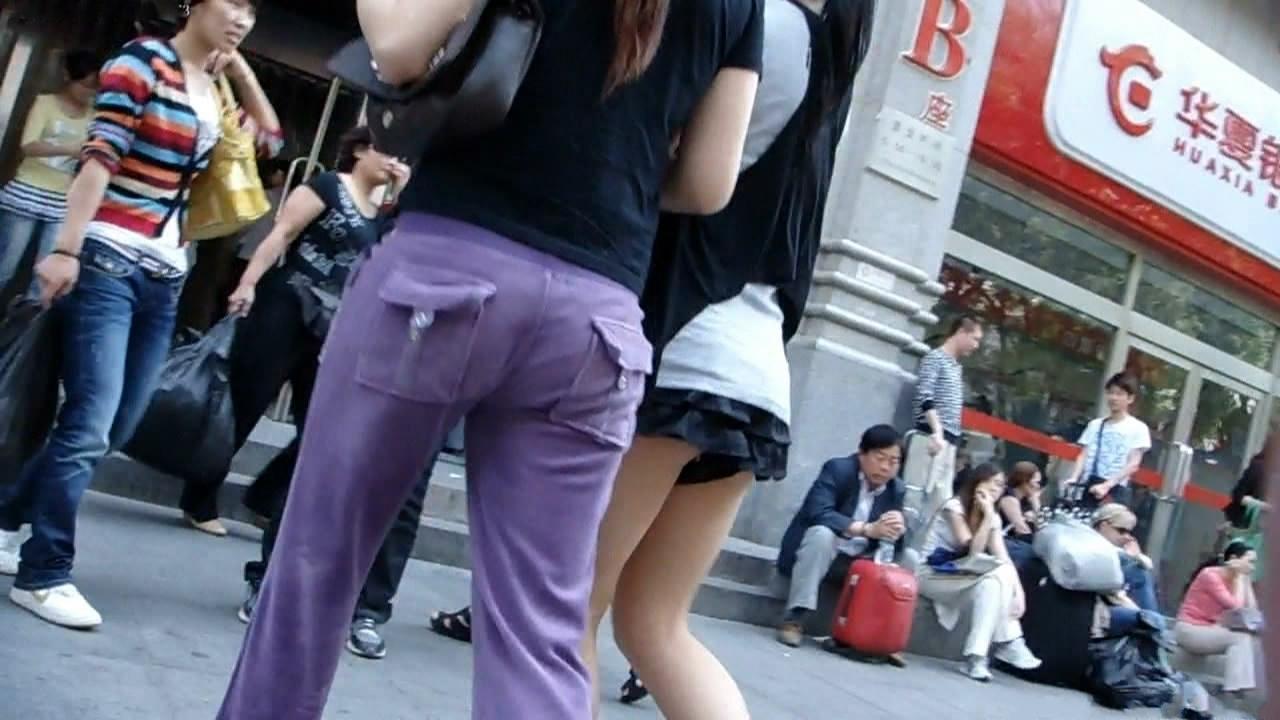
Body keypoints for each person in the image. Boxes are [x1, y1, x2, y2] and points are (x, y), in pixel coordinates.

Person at [216, 0, 764, 718]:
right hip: (597, 318)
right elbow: (707, 183)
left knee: (316, 565)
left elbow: (399, 50)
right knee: (539, 625)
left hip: (443, 273)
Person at [581, 2, 876, 717]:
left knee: (570, 611)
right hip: (752, 373)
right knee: (653, 624)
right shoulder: (827, 57)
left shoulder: (768, 27)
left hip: (686, 351)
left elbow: (692, 174)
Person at [0, 0, 280, 629]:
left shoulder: (211, 86)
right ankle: (44, 572)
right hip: (108, 257)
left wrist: (239, 68)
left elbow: (270, 140)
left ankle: (8, 517)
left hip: (167, 272)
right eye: (231, 2)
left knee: (119, 425)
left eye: (251, 9)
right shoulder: (142, 63)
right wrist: (66, 248)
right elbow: (99, 157)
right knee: (91, 420)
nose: (242, 16)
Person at [177, 128, 407, 537]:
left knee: (323, 421)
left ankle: (266, 496)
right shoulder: (328, 186)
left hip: (331, 320)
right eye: (386, 152)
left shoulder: (382, 216)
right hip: (286, 303)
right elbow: (281, 233)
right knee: (247, 401)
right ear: (360, 151)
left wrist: (401, 196)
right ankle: (199, 497)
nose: (393, 162)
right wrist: (248, 283)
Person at [774, 424, 905, 649]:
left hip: (857, 564)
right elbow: (818, 512)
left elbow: (892, 546)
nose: (885, 467)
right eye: (880, 458)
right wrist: (865, 529)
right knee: (822, 535)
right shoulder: (838, 469)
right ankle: (794, 618)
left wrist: (898, 529)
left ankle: (884, 638)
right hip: (817, 555)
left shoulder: (896, 489)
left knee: (910, 558)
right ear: (862, 453)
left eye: (893, 461)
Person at [917, 463, 1042, 682]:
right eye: (991, 483)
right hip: (931, 574)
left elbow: (1004, 558)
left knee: (994, 581)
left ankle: (976, 658)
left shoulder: (992, 517)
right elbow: (972, 550)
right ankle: (1009, 641)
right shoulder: (954, 507)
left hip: (960, 577)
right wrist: (988, 517)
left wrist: (1019, 594)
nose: (996, 489)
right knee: (996, 572)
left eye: (1000, 485)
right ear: (977, 483)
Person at [0, 50, 100, 303]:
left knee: (47, 280)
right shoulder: (45, 103)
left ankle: (25, 326)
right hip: (26, 192)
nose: (88, 92)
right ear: (68, 77)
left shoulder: (94, 116)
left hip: (63, 201)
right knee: (5, 266)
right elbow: (28, 145)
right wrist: (70, 150)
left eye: (94, 87)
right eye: (84, 85)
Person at [907, 315, 984, 545]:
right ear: (961, 332)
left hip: (947, 440)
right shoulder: (935, 358)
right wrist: (936, 431)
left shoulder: (954, 366)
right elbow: (925, 395)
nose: (976, 345)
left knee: (939, 502)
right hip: (931, 438)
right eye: (974, 338)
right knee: (916, 498)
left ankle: (920, 550)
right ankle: (904, 549)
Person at [1175, 541, 1264, 700]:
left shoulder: (1237, 580)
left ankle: (1239, 687)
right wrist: (1239, 579)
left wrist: (1245, 581)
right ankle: (1235, 687)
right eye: (1250, 561)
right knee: (1240, 638)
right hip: (1189, 630)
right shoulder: (1210, 575)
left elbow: (1251, 612)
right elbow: (1236, 607)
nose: (1253, 567)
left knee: (1250, 639)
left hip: (1210, 630)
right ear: (1234, 559)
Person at [1062, 373, 1151, 509]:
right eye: (1111, 393)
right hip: (1088, 485)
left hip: (1115, 489)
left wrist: (1107, 485)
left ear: (1130, 398)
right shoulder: (1095, 425)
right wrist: (1074, 477)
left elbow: (1133, 464)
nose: (1113, 398)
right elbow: (1084, 455)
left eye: (1119, 394)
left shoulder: (1138, 428)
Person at [1092, 503, 1161, 635]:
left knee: (1151, 622)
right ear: (1103, 526)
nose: (1127, 537)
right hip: (1096, 613)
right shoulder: (1094, 548)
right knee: (1154, 622)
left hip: (1108, 608)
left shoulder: (1118, 553)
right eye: (1121, 531)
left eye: (1129, 532)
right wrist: (1135, 559)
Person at [998, 461, 1042, 544]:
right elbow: (1022, 531)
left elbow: (1041, 527)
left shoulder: (1026, 500)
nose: (1038, 486)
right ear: (1024, 481)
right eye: (1037, 482)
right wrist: (1035, 500)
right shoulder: (1009, 498)